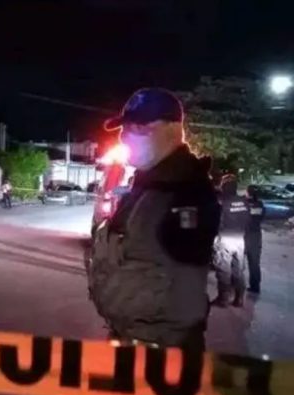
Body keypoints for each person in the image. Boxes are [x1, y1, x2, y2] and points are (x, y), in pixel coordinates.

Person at [87, 88, 221, 350]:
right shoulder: (147, 185)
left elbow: (184, 271)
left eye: (139, 127)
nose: (126, 136)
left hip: (162, 345)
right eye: (125, 128)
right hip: (128, 335)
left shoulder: (185, 189)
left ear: (173, 130)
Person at [211, 174, 250, 308]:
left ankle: (223, 299)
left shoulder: (222, 203)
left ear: (224, 187)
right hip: (240, 240)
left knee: (223, 270)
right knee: (238, 270)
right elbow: (248, 221)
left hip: (225, 239)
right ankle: (239, 298)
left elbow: (215, 221)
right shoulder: (244, 202)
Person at [245, 185, 265, 294]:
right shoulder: (260, 204)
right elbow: (261, 218)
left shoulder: (244, 203)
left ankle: (235, 285)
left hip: (245, 234)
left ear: (248, 192)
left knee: (237, 261)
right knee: (254, 263)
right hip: (256, 236)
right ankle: (255, 286)